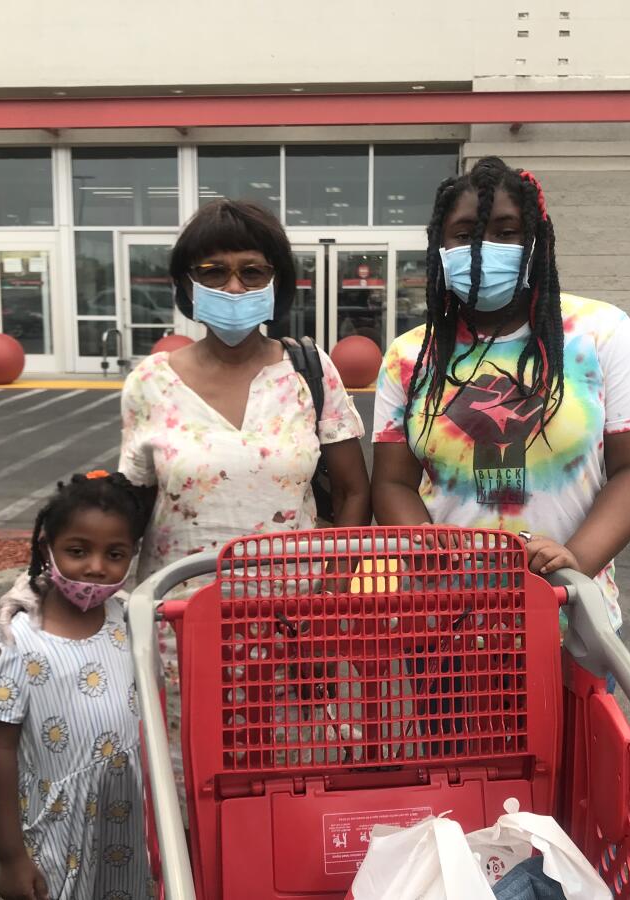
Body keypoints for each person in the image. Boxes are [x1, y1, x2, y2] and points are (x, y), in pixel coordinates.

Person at [118, 198, 371, 810]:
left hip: (297, 639)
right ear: (187, 283)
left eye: (252, 271)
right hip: (183, 638)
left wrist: (327, 604)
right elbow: (130, 505)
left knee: (291, 796)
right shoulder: (149, 384)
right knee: (189, 794)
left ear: (276, 281)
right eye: (213, 272)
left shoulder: (312, 372)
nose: (233, 286)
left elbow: (356, 490)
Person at [371, 156, 630, 635]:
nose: (484, 250)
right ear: (438, 246)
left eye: (507, 232)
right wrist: (424, 545)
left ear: (537, 241)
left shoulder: (602, 333)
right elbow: (391, 483)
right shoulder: (409, 356)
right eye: (465, 234)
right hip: (443, 623)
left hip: (571, 615)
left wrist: (575, 561)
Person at [0, 470, 156, 900]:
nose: (95, 567)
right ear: (47, 549)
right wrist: (11, 858)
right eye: (78, 551)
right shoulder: (18, 640)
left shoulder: (128, 617)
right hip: (58, 825)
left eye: (115, 554)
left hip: (127, 814)